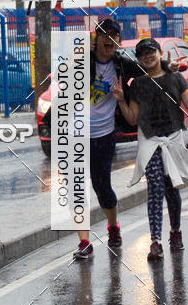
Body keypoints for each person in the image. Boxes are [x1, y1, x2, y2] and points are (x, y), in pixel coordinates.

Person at [113, 37, 188, 260]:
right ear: (139, 59)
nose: (148, 56)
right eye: (143, 54)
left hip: (173, 139)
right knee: (155, 187)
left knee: (172, 189)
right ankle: (155, 241)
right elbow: (133, 118)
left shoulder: (175, 78)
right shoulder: (138, 85)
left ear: (159, 53)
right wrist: (120, 100)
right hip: (150, 141)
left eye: (151, 51)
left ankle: (175, 232)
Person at [74, 18, 139, 259]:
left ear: (119, 41)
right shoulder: (83, 61)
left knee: (102, 186)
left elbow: (147, 70)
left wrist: (169, 66)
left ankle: (113, 226)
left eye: (114, 35)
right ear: (97, 39)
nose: (109, 39)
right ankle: (84, 242)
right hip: (76, 134)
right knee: (76, 187)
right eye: (105, 35)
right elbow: (64, 73)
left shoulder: (122, 65)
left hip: (103, 134)